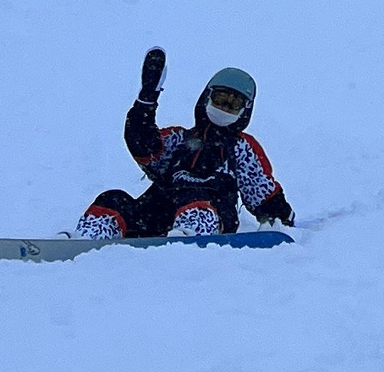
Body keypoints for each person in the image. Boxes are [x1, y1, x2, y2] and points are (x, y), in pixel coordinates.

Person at [77, 49, 295, 243]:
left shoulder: (241, 148)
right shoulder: (179, 139)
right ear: (207, 98)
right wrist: (146, 99)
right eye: (220, 99)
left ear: (244, 111)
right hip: (158, 216)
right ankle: (89, 239)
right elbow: (144, 145)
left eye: (233, 104)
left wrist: (282, 216)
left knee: (195, 198)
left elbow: (262, 191)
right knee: (113, 198)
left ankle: (190, 237)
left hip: (213, 212)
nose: (224, 107)